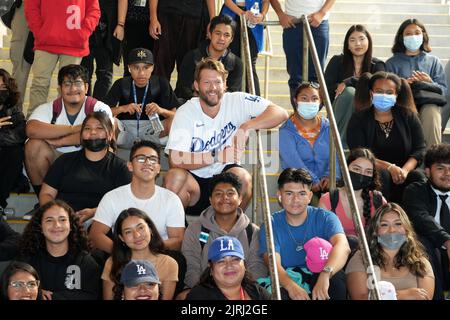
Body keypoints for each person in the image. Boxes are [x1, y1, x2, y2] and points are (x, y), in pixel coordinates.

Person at [164, 58, 289, 218]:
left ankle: (230, 229)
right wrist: (216, 156)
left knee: (243, 177)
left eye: (217, 82)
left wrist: (247, 127)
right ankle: (179, 234)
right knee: (174, 177)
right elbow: (175, 160)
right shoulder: (185, 111)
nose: (213, 88)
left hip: (225, 178)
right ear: (196, 85)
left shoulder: (237, 100)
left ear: (225, 84)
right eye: (207, 82)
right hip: (195, 183)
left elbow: (281, 113)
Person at [25, 64, 113, 201]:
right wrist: (74, 129)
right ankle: (46, 203)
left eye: (78, 83)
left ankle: (97, 203)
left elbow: (101, 134)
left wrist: (60, 141)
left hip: (88, 158)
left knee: (105, 145)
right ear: (60, 89)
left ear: (87, 87)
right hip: (57, 160)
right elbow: (31, 129)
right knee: (33, 146)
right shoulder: (50, 108)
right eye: (67, 84)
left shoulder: (98, 107)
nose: (73, 89)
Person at [258, 168, 350, 300]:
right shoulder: (270, 224)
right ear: (279, 195)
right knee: (280, 295)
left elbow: (343, 246)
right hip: (287, 278)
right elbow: (273, 263)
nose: (296, 200)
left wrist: (325, 274)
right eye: (289, 193)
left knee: (336, 279)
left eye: (302, 193)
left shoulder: (325, 217)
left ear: (310, 196)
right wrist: (291, 286)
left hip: (320, 273)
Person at [180, 172, 267, 298]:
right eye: (218, 194)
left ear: (240, 198)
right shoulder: (195, 229)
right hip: (205, 290)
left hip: (242, 291)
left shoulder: (252, 231)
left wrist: (233, 291)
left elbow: (257, 269)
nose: (225, 198)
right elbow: (191, 267)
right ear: (210, 200)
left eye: (230, 193)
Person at [90, 140, 185, 252]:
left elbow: (177, 241)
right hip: (122, 258)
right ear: (130, 166)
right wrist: (123, 254)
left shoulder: (171, 199)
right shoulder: (112, 197)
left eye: (153, 159)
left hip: (158, 255)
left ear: (159, 168)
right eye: (141, 158)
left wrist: (146, 252)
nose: (148, 162)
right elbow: (95, 235)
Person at [348, 71, 426, 203]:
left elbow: (420, 149)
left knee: (417, 177)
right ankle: (381, 217)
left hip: (403, 172)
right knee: (383, 174)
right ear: (371, 93)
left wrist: (404, 171)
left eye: (389, 92)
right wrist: (389, 167)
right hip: (371, 173)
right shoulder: (359, 118)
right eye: (379, 91)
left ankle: (413, 220)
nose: (384, 96)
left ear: (396, 95)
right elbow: (359, 153)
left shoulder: (408, 116)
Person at [39, 112, 131, 223]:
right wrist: (58, 213)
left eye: (99, 128)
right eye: (87, 128)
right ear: (81, 135)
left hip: (102, 220)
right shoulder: (64, 161)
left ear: (110, 134)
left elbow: (125, 202)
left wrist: (94, 212)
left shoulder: (120, 167)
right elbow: (46, 194)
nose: (93, 132)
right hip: (63, 220)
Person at [24, 0, 100, 116]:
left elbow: (94, 10)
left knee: (69, 86)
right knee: (40, 83)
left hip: (74, 44)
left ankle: (63, 122)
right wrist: (40, 31)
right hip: (45, 41)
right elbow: (31, 6)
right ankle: (35, 121)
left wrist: (83, 32)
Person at [346, 202, 435, 300]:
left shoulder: (420, 262)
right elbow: (359, 297)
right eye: (384, 225)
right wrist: (402, 295)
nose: (392, 230)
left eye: (398, 224)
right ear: (375, 231)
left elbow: (425, 297)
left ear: (406, 229)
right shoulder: (361, 258)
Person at [18, 200, 101, 300]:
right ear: (40, 227)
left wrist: (47, 297)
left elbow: (91, 296)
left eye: (62, 220)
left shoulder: (86, 262)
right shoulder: (27, 261)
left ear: (71, 226)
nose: (56, 225)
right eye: (49, 220)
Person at [386, 19, 447, 147]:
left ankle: (433, 159)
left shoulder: (433, 61)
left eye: (417, 33)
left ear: (423, 35)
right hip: (403, 105)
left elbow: (444, 91)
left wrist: (429, 82)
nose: (413, 36)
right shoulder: (392, 63)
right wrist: (403, 84)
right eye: (408, 34)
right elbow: (386, 90)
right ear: (401, 38)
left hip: (428, 104)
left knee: (431, 110)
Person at [104, 48, 180, 148]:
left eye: (146, 67)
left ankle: (172, 152)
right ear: (129, 68)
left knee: (174, 122)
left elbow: (176, 115)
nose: (141, 73)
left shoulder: (161, 83)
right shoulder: (121, 83)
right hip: (125, 129)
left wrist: (161, 111)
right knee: (107, 120)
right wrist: (122, 108)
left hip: (152, 129)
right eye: (136, 68)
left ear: (152, 68)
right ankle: (110, 150)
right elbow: (102, 112)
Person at [324, 24, 385, 145]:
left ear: (369, 42)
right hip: (340, 109)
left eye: (362, 39)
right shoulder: (337, 61)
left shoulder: (377, 65)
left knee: (350, 90)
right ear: (347, 45)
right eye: (352, 40)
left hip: (367, 110)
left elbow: (377, 88)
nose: (358, 44)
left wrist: (349, 82)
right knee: (349, 93)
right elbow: (327, 90)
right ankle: (339, 145)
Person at [403, 143, 450, 299]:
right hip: (431, 253)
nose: (447, 173)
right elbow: (421, 218)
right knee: (423, 241)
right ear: (427, 171)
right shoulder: (415, 191)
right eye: (441, 168)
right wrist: (447, 240)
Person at [102, 208, 178, 300]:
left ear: (150, 229)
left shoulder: (169, 263)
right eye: (128, 232)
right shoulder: (112, 262)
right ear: (121, 238)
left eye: (141, 228)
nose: (137, 235)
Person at [279, 81, 340, 195]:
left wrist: (330, 176)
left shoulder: (328, 126)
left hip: (326, 184)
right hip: (298, 182)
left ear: (321, 101)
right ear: (295, 100)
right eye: (304, 98)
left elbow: (335, 154)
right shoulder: (285, 131)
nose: (309, 102)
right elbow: (292, 160)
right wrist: (312, 180)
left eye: (314, 99)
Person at [269, 0, 336, 103]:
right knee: (295, 76)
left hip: (318, 22)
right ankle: (298, 113)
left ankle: (313, 112)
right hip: (292, 23)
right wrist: (280, 14)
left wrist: (321, 13)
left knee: (316, 75)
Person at [319, 148, 386, 240]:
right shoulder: (328, 200)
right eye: (356, 169)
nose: (361, 175)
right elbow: (321, 237)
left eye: (368, 172)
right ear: (345, 168)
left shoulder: (378, 200)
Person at [175, 14, 243, 102]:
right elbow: (183, 88)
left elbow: (232, 94)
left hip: (220, 108)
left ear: (231, 39)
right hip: (191, 105)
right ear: (210, 34)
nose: (221, 38)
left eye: (226, 35)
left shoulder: (236, 63)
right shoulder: (192, 56)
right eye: (218, 33)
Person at [186, 236, 271, 300]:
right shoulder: (199, 296)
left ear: (244, 265)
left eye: (235, 259)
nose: (229, 265)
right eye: (221, 261)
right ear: (211, 269)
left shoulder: (258, 292)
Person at [149, 0, 215, 80]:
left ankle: (185, 92)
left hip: (194, 17)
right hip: (167, 14)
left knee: (190, 64)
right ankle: (160, 91)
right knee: (161, 61)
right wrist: (153, 18)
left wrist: (212, 20)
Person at [220, 0, 269, 96]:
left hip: (253, 18)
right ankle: (228, 100)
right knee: (229, 61)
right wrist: (242, 13)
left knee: (249, 64)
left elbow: (266, 1)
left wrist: (262, 15)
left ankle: (255, 104)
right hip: (231, 16)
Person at [0, 68, 26, 215]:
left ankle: (0, 203)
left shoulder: (14, 111)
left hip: (6, 163)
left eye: (3, 88)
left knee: (15, 151)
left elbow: (20, 136)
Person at [81, 0, 117, 100]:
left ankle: (98, 109)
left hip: (107, 27)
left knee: (105, 74)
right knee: (84, 73)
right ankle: (84, 107)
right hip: (85, 26)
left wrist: (120, 24)